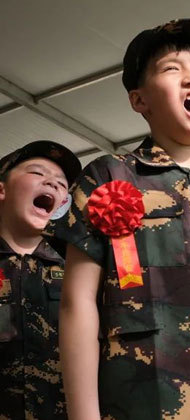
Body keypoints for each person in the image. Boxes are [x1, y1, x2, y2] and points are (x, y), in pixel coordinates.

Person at [51, 19, 190, 419]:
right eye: (173, 69)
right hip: (147, 403)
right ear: (139, 100)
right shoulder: (110, 177)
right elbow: (77, 304)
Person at [0, 141, 81, 419]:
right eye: (37, 172)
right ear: (2, 190)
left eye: (62, 183)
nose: (53, 183)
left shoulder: (76, 270)